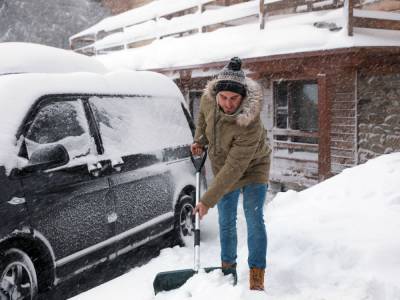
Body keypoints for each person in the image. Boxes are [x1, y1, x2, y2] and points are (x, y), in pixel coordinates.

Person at [191, 57, 271, 291]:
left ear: (243, 97)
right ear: (216, 94)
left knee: (253, 218)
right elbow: (203, 120)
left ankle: (256, 275)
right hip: (222, 163)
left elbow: (234, 169)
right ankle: (228, 270)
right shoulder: (209, 100)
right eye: (223, 97)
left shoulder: (250, 124)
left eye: (234, 98)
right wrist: (200, 139)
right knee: (226, 221)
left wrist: (207, 200)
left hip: (254, 166)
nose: (227, 103)